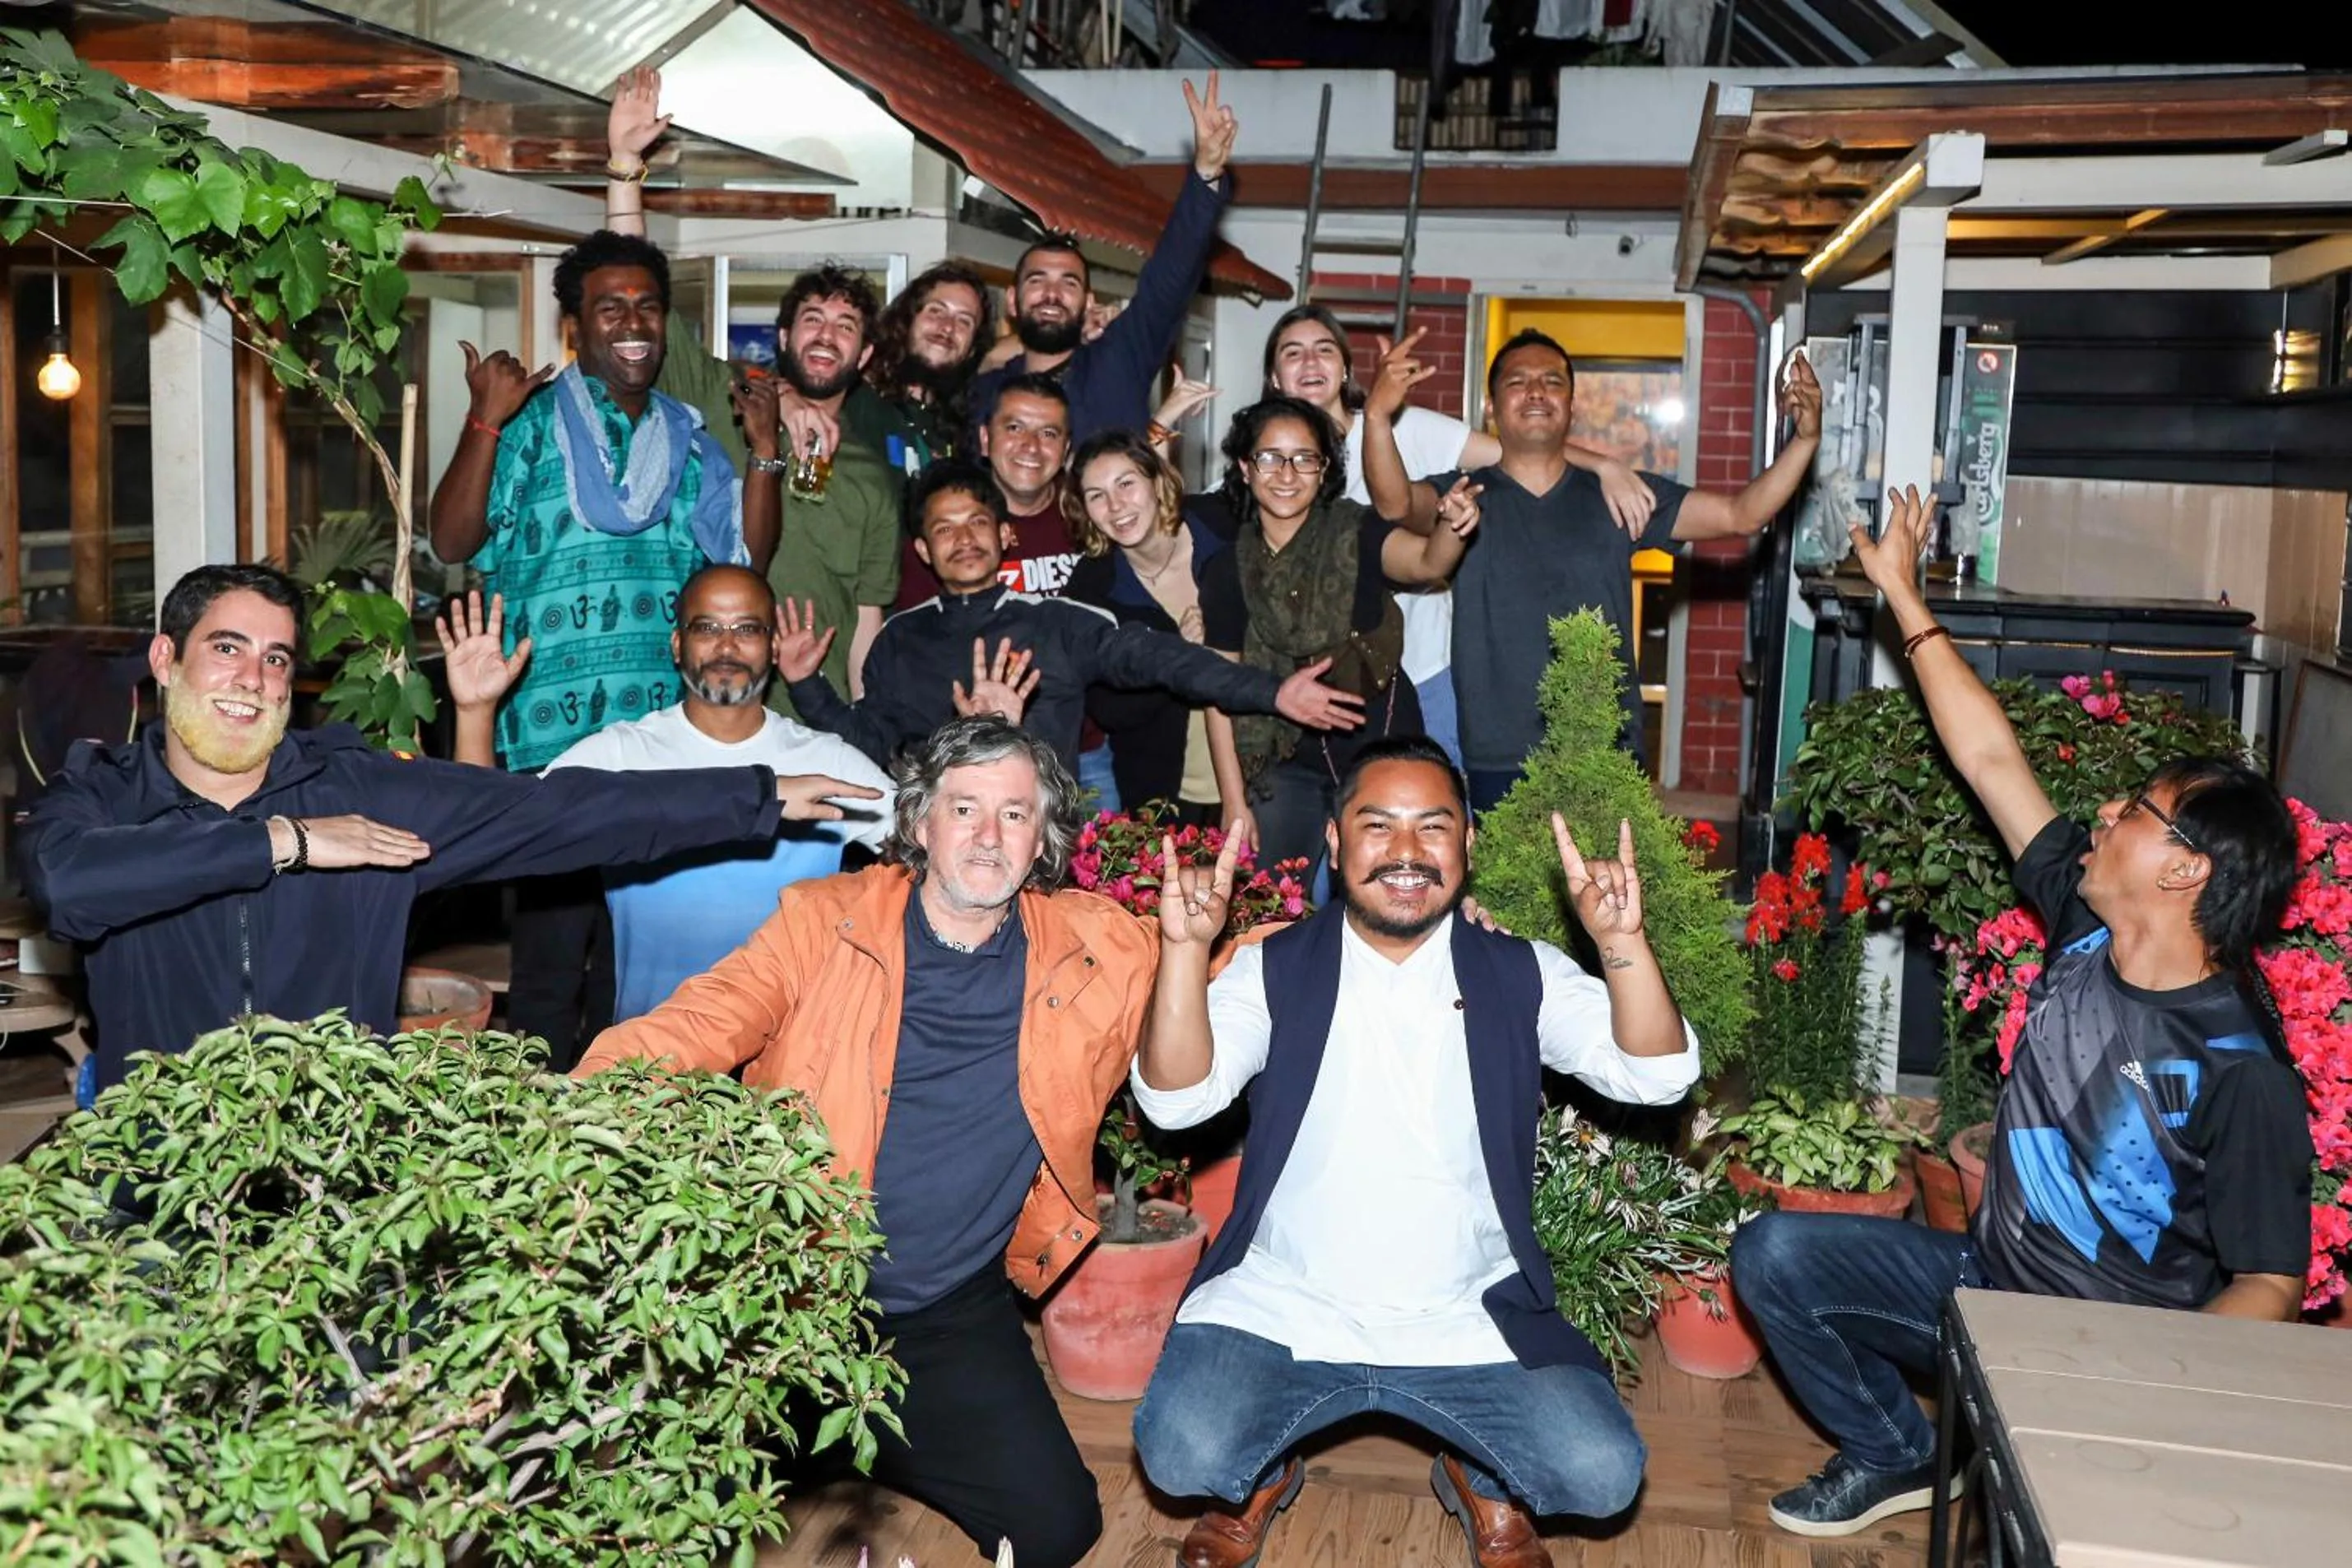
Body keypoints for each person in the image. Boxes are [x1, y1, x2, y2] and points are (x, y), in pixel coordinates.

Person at [1731, 485, 2313, 1539]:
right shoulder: (2084, 926)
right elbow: (1990, 758)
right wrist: (1903, 595)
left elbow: (2272, 1280)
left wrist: (2134, 1390)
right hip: (1982, 1286)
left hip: (2102, 1355)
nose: (2102, 812)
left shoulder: (2240, 1063)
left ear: (2185, 870)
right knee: (1774, 1255)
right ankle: (1899, 1452)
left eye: (2133, 811)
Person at [573, 717, 1153, 1568]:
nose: (988, 837)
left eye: (1015, 815)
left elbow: (1229, 976)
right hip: (789, 1295)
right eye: (964, 809)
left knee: (1060, 1523)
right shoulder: (823, 924)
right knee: (650, 1513)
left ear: (1044, 840)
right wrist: (556, 1119)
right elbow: (690, 1029)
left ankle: (874, 1437)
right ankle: (840, 1437)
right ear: (919, 822)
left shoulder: (1094, 948)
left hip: (947, 1314)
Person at [1129, 735, 1702, 1568]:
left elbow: (1658, 1076)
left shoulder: (1518, 972)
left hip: (1465, 1316)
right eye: (1378, 826)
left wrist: (1620, 941)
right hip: (1286, 1303)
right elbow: (1178, 1100)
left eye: (1433, 828)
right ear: (1333, 841)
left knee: (1603, 1472)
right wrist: (1184, 951)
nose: (1406, 853)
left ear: (1466, 844)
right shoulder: (1275, 969)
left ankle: (1481, 1476)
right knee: (1184, 1449)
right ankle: (1261, 1467)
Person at [20, 564, 879, 1098]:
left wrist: (758, 793)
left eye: (277, 658)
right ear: (167, 659)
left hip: (340, 1184)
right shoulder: (101, 795)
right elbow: (69, 886)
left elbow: (564, 813)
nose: (254, 678)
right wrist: (286, 842)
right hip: (162, 1179)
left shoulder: (354, 787)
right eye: (228, 649)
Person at [425, 226, 782, 1065]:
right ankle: (541, 1161)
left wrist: (765, 453)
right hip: (550, 740)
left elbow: (747, 561)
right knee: (550, 971)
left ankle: (635, 1146)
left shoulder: (690, 439)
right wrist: (483, 418)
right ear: (575, 328)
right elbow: (450, 538)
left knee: (643, 975)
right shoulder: (529, 424)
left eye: (648, 307)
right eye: (609, 307)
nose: (632, 323)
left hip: (664, 744)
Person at [1375, 327, 1820, 810]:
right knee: (1508, 887)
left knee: (1608, 886)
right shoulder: (1462, 496)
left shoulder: (1618, 496)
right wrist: (1378, 415)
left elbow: (1742, 514)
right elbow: (1396, 503)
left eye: (1552, 381)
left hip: (1606, 745)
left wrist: (1805, 439)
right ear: (1493, 406)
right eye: (1518, 382)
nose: (1536, 392)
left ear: (1572, 405)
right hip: (1497, 752)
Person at [441, 572, 894, 1026]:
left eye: (747, 628)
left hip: (791, 1061)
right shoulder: (620, 755)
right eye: (708, 627)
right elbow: (495, 834)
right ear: (678, 644)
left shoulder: (828, 762)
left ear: (774, 647)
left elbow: (931, 844)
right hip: (651, 1068)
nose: (726, 645)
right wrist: (475, 712)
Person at [777, 460, 1365, 775]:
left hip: (1045, 841)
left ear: (1005, 535)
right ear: (924, 551)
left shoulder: (1056, 621)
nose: (964, 538)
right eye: (944, 528)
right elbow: (865, 743)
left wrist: (1272, 693)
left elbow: (1166, 660)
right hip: (932, 847)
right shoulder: (900, 640)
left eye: (977, 522)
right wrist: (806, 685)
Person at [1263, 304, 1654, 766]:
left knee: (1451, 820)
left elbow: (1517, 452)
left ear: (1345, 366)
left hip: (1426, 671)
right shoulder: (1260, 461)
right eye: (1293, 353)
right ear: (1274, 377)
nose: (1310, 363)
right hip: (1314, 682)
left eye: (1323, 349)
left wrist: (1604, 465)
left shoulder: (1409, 427)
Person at [1202, 396, 1480, 884]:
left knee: (1394, 886)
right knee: (1272, 905)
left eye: (1305, 458)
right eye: (1270, 457)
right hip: (1284, 759)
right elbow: (1217, 689)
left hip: (1383, 741)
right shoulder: (1227, 570)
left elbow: (1427, 563)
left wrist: (1452, 526)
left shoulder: (1358, 531)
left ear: (1324, 468)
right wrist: (1234, 801)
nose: (1287, 473)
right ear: (1246, 468)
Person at [966, 75, 1237, 444]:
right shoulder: (986, 392)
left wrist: (1206, 176)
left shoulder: (1118, 361)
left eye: (1069, 283)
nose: (1051, 293)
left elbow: (1169, 279)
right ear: (1013, 300)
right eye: (1037, 280)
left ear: (1089, 303)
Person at [1065, 431, 1235, 824]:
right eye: (1096, 495)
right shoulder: (1091, 588)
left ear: (1157, 482)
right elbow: (1107, 708)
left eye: (1126, 483)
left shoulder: (1221, 525)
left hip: (1261, 776)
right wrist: (1172, 654)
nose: (1115, 505)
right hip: (1165, 791)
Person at [857, 259, 994, 471]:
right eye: (936, 311)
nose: (947, 328)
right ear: (908, 319)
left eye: (964, 321)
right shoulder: (856, 397)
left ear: (972, 348)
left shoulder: (966, 429)